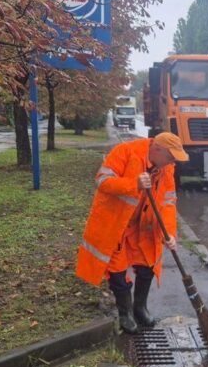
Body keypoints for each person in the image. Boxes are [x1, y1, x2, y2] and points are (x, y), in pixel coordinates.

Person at [76, 132, 189, 334]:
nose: (172, 162)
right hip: (117, 225)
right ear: (156, 149)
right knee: (118, 274)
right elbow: (102, 181)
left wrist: (169, 233)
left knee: (147, 266)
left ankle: (140, 308)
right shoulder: (125, 152)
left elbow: (168, 201)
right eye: (170, 157)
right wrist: (134, 184)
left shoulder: (166, 167)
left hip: (143, 227)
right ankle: (125, 313)